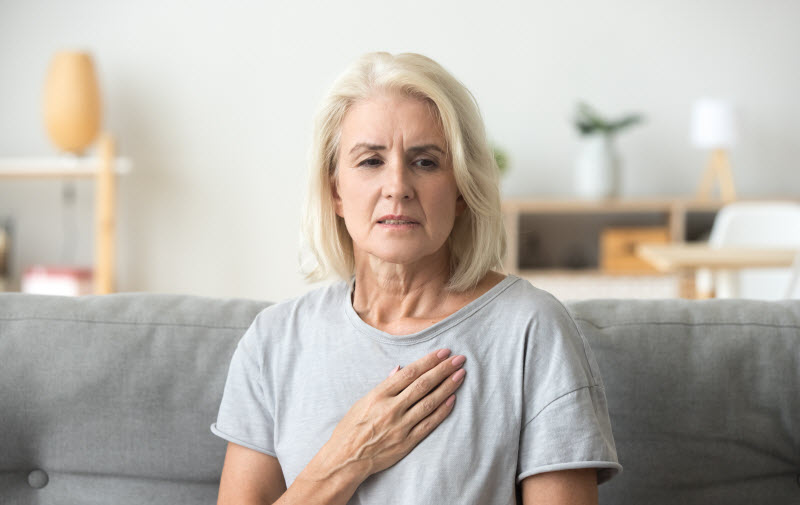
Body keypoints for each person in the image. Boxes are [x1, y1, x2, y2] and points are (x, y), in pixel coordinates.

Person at [211, 51, 621, 505]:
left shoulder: (532, 329)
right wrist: (346, 459)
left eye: (425, 162)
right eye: (370, 161)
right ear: (335, 193)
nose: (397, 186)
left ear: (463, 189)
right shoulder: (273, 341)